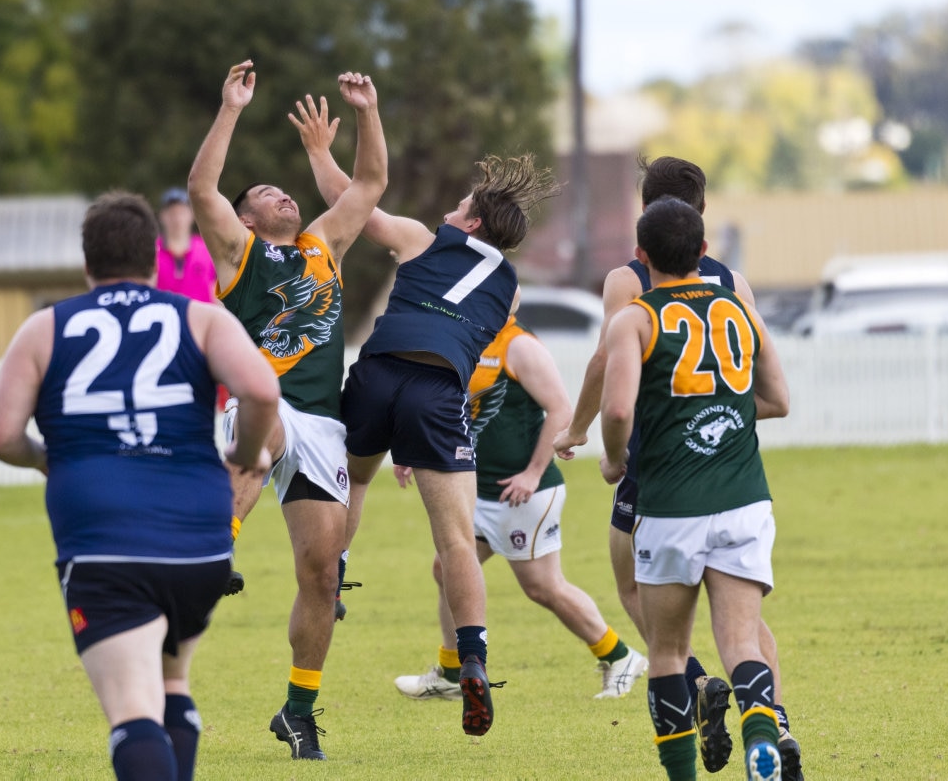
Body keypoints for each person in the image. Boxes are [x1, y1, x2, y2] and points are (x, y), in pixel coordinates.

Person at [0, 191, 280, 781]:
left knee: (132, 712)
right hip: (201, 542)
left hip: (104, 540)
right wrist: (246, 457)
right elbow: (263, 392)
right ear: (153, 261)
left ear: (87, 265)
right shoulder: (200, 316)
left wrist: (45, 459)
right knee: (172, 684)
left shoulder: (46, 328)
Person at [553, 156, 803, 780]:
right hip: (741, 485)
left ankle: (693, 716)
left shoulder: (632, 295)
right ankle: (772, 727)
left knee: (658, 633)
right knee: (743, 632)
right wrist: (719, 416)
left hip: (663, 480)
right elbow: (775, 397)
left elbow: (608, 381)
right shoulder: (735, 289)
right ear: (703, 231)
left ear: (641, 238)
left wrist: (597, 443)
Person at [308, 136, 558, 737]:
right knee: (455, 541)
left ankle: (334, 571)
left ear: (470, 223)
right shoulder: (512, 290)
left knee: (355, 485)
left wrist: (320, 151)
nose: (448, 210)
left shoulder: (425, 239)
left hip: (378, 370)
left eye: (458, 205)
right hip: (439, 390)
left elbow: (354, 204)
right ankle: (471, 656)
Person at [186, 60, 388, 761]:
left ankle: (298, 710)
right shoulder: (240, 254)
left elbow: (368, 185)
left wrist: (365, 112)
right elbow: (200, 188)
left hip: (323, 424)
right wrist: (231, 107)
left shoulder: (323, 247)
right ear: (245, 220)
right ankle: (218, 549)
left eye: (285, 191)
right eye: (268, 194)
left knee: (321, 572)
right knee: (265, 425)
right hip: (259, 405)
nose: (285, 197)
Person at [392, 314, 648, 703]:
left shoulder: (518, 346)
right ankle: (449, 672)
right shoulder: (461, 339)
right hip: (478, 489)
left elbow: (561, 410)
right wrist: (416, 449)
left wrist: (531, 473)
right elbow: (450, 408)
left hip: (523, 494)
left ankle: (620, 656)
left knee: (543, 587)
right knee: (447, 568)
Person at [155, 187, 218, 305]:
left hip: (201, 319)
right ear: (162, 216)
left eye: (181, 213)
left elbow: (216, 293)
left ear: (191, 215)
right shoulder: (151, 250)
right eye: (172, 213)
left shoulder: (208, 249)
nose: (177, 219)